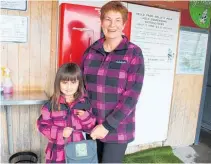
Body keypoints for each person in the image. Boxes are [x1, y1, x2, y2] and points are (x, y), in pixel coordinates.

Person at [81, 1, 145, 163]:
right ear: (101, 22)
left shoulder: (133, 53)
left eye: (118, 20)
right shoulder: (91, 51)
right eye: (108, 19)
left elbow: (132, 96)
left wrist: (107, 126)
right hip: (91, 125)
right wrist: (82, 116)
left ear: (124, 24)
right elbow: (81, 88)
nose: (112, 25)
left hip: (118, 128)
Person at [37, 63, 96, 163]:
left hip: (79, 151)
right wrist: (61, 133)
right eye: (64, 82)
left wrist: (86, 117)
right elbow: (42, 126)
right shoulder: (50, 106)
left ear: (79, 83)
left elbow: (91, 128)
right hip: (57, 152)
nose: (69, 87)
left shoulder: (84, 103)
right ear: (58, 83)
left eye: (73, 83)